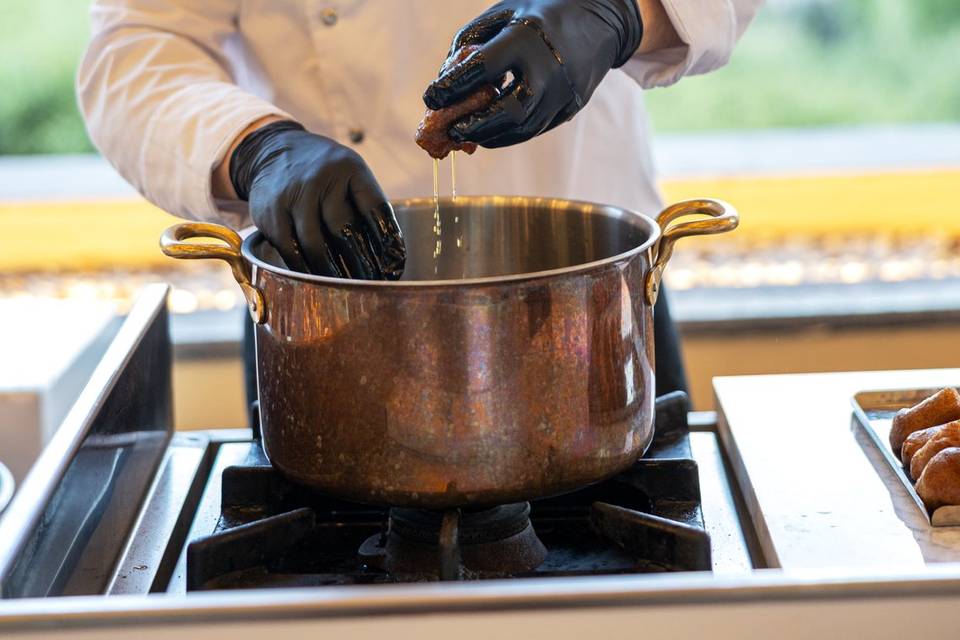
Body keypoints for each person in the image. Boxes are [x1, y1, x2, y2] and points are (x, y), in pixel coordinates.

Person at [78, 0, 761, 407]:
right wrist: (255, 147)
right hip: (319, 304)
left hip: (591, 308)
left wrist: (615, 11)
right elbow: (137, 46)